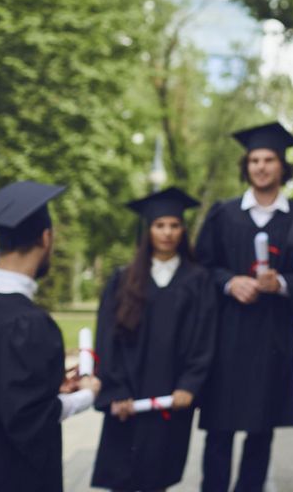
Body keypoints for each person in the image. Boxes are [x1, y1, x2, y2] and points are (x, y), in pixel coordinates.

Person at [195, 122, 293, 492]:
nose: (261, 166)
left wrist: (280, 284)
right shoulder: (223, 214)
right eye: (254, 160)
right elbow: (201, 269)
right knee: (219, 431)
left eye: (269, 159)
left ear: (283, 166)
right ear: (246, 166)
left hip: (273, 339)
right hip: (226, 339)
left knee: (261, 431)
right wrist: (230, 283)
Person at [0, 181, 101, 492]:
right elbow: (32, 418)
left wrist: (50, 384)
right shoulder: (31, 324)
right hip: (10, 477)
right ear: (46, 237)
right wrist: (86, 395)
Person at [91, 187, 217, 491]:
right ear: (147, 230)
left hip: (169, 397)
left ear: (183, 230)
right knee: (122, 475)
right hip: (128, 398)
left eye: (174, 225)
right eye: (160, 225)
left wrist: (189, 385)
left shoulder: (198, 280)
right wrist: (116, 388)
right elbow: (107, 339)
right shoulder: (124, 278)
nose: (167, 233)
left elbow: (205, 339)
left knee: (158, 477)